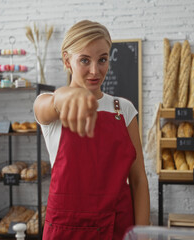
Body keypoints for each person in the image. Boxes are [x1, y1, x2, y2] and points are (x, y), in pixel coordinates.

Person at [34, 20, 150, 240]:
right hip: (68, 230)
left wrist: (143, 234)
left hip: (118, 225)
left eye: (102, 60)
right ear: (67, 61)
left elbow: (138, 180)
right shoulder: (51, 105)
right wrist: (66, 96)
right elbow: (46, 106)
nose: (95, 71)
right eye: (85, 60)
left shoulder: (123, 109)